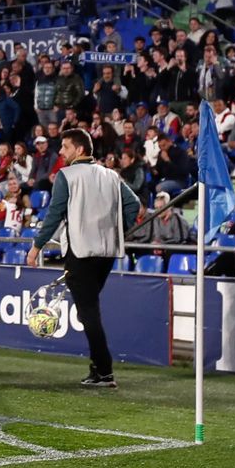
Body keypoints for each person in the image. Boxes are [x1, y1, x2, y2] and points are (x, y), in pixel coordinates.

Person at [27, 128, 140, 389]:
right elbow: (133, 204)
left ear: (79, 150)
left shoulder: (67, 176)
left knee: (88, 312)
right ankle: (97, 369)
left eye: (65, 147)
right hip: (107, 253)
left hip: (80, 252)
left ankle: (104, 371)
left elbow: (54, 215)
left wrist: (36, 247)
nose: (62, 152)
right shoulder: (111, 175)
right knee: (87, 310)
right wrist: (118, 229)